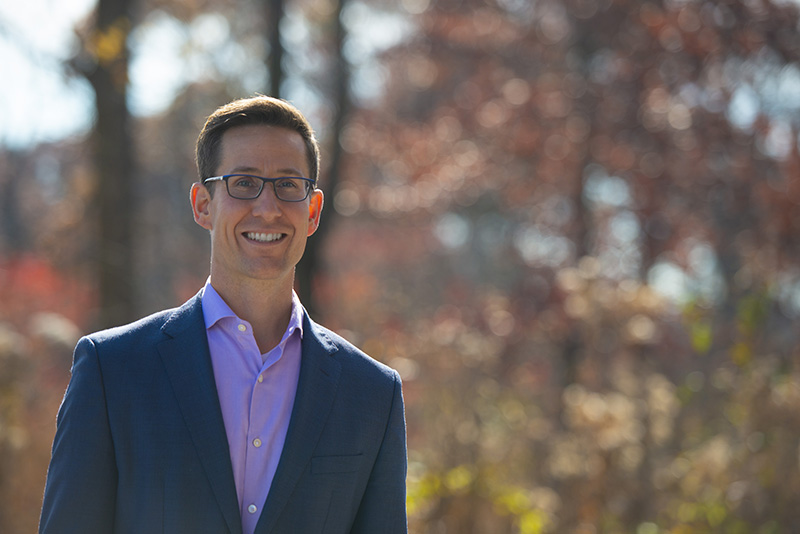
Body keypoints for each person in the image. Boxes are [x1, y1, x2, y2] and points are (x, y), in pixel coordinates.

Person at [39, 96, 408, 534]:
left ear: (312, 210)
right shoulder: (112, 369)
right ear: (203, 205)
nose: (267, 207)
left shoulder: (371, 394)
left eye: (288, 185)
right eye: (244, 182)